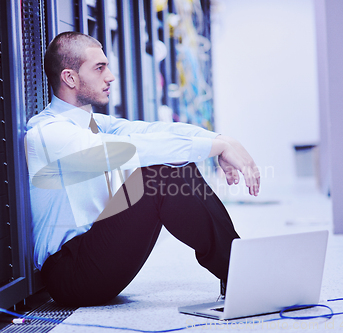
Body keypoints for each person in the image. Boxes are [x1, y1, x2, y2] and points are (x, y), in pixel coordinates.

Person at [25, 31, 260, 307]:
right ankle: (244, 276)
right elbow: (133, 149)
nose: (110, 76)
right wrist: (216, 148)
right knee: (159, 174)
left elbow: (153, 131)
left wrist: (220, 140)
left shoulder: (95, 123)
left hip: (95, 251)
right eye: (99, 68)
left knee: (174, 163)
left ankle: (241, 271)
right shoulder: (48, 133)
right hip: (70, 274)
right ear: (70, 78)